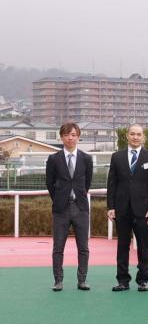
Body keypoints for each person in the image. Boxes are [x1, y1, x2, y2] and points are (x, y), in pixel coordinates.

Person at [106, 124, 148, 292]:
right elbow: (111, 184)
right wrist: (110, 206)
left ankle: (143, 279)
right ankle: (122, 280)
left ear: (143, 137)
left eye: (139, 134)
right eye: (132, 134)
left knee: (143, 245)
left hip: (143, 209)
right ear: (127, 136)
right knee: (122, 245)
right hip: (121, 208)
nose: (135, 137)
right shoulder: (117, 157)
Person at [45, 122, 93, 291]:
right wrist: (60, 198)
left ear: (78, 137)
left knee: (84, 247)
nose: (70, 138)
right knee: (58, 247)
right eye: (67, 135)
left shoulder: (86, 158)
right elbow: (49, 183)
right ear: (61, 137)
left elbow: (87, 182)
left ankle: (82, 280)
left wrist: (78, 196)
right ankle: (58, 280)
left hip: (81, 208)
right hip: (61, 209)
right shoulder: (53, 159)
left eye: (73, 135)